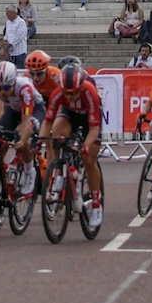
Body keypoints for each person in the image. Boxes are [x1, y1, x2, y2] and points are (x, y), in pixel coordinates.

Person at [43, 62, 105, 229]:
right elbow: (47, 122)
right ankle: (58, 172)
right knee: (55, 134)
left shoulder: (89, 92)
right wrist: (41, 139)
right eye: (67, 93)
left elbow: (93, 129)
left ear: (80, 87)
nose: (70, 96)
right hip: (70, 113)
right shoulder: (58, 94)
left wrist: (85, 146)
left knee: (89, 158)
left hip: (88, 119)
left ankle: (96, 204)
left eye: (74, 93)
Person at [0, 4, 29, 69]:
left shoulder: (21, 22)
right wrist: (5, 40)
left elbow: (19, 36)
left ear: (13, 13)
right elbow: (7, 33)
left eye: (8, 13)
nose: (6, 15)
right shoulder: (8, 22)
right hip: (10, 53)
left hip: (20, 52)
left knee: (20, 71)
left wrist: (10, 44)